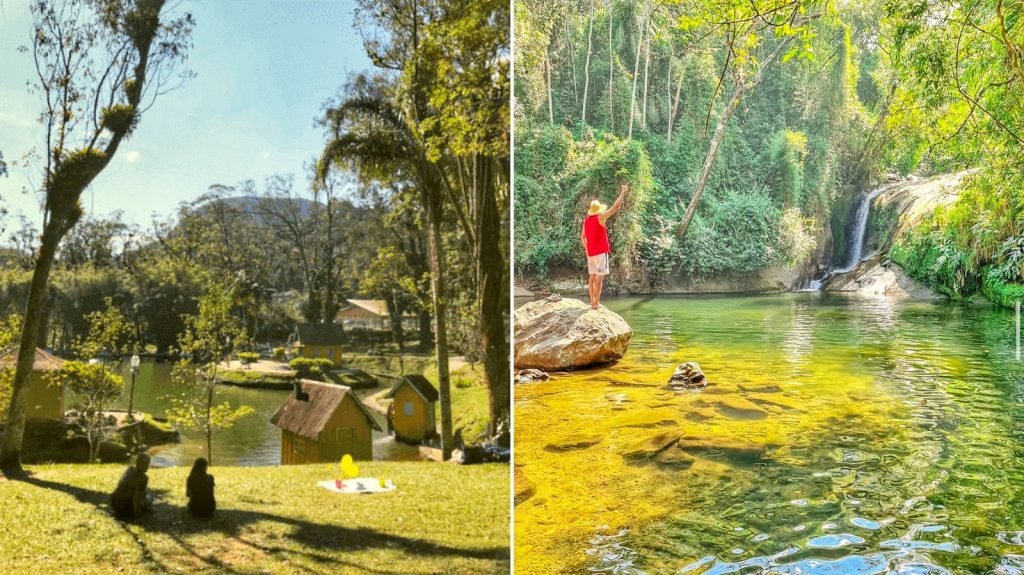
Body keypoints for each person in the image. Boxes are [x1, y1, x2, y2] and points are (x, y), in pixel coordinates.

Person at [580, 182, 628, 309]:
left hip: (590, 254)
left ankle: (592, 302)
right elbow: (615, 207)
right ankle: (596, 304)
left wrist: (586, 248)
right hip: (601, 253)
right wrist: (623, 192)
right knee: (599, 279)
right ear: (599, 210)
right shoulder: (600, 218)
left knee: (592, 277)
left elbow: (582, 237)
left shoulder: (586, 220)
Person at [111, 453, 153, 518]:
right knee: (149, 498)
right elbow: (137, 499)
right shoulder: (143, 478)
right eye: (146, 464)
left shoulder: (129, 470)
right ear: (139, 463)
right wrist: (138, 515)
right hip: (126, 508)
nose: (148, 466)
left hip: (115, 505)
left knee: (146, 495)